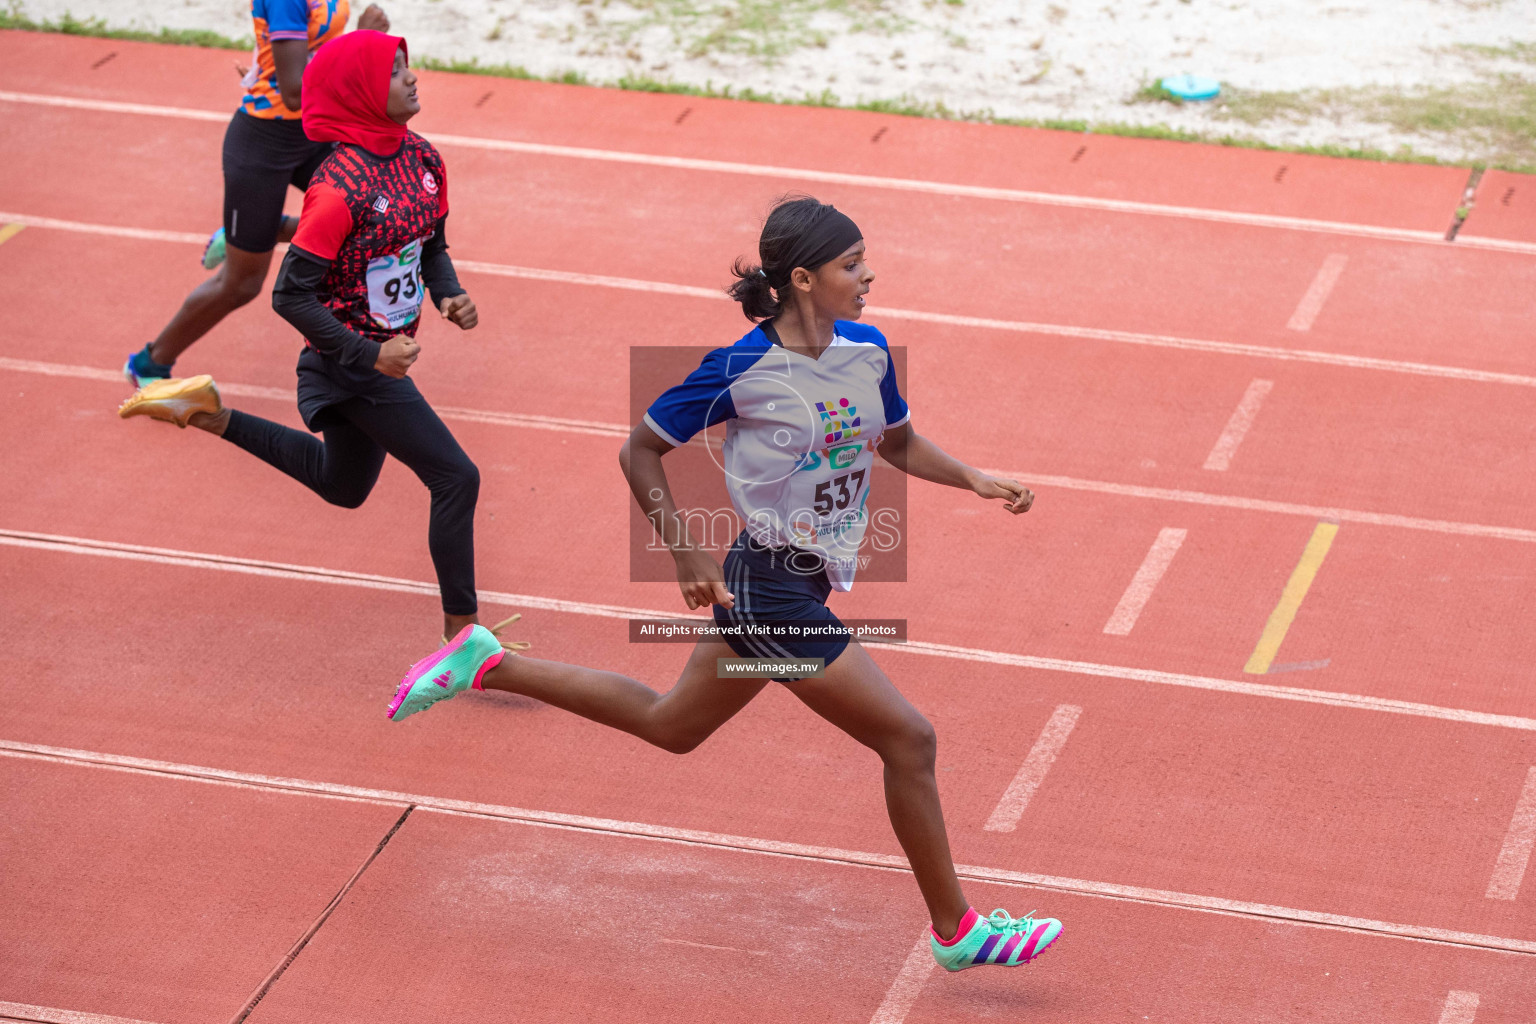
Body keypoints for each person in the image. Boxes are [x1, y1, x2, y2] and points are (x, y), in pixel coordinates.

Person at [385, 197, 1064, 972]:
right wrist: (684, 553)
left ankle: (485, 661)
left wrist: (974, 478)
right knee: (908, 739)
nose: (868, 273)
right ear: (803, 279)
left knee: (672, 724)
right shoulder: (741, 369)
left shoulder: (869, 349)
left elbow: (897, 441)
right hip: (768, 583)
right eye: (851, 264)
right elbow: (638, 450)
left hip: (799, 585)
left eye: (864, 259)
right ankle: (957, 930)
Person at [119, 31, 488, 644]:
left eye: (408, 67)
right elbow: (289, 294)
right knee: (457, 478)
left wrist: (447, 292)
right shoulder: (337, 190)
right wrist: (372, 354)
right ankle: (464, 643)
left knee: (342, 487)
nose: (413, 78)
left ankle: (209, 413)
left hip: (371, 360)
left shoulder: (423, 160)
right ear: (362, 92)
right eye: (396, 72)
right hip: (352, 364)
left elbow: (432, 248)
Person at [122, 1, 390, 387]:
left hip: (314, 131)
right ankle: (150, 363)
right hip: (264, 143)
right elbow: (296, 90)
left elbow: (313, 53)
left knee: (372, 217)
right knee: (242, 284)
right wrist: (362, 42)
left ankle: (258, 230)